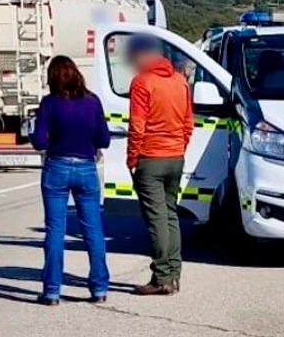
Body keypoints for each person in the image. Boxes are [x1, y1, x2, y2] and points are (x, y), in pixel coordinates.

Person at [29, 55, 111, 305]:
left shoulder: (49, 104)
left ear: (52, 78)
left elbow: (40, 142)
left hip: (57, 167)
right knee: (93, 230)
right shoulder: (92, 101)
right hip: (86, 168)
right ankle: (99, 288)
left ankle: (52, 290)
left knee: (55, 230)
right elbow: (104, 140)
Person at [126, 35, 193, 296]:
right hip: (175, 156)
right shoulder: (180, 81)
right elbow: (188, 124)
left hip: (150, 157)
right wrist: (179, 146)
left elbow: (137, 125)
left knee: (156, 219)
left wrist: (132, 158)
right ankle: (174, 274)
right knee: (171, 214)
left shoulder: (142, 82)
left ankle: (161, 277)